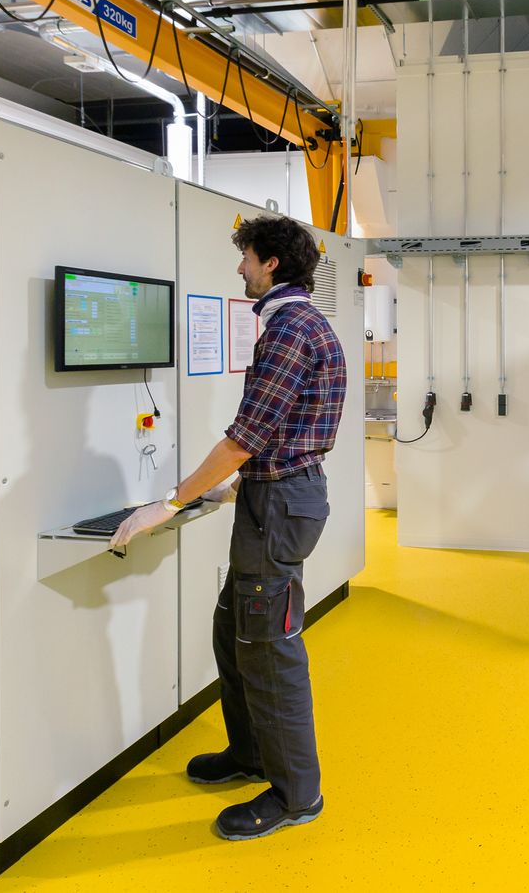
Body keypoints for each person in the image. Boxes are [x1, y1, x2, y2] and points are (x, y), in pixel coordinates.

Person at [112, 213, 347, 841]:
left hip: (279, 507)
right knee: (234, 629)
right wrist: (233, 485)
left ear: (270, 262)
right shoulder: (297, 324)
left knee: (269, 649)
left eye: (244, 256)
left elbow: (247, 435)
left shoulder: (290, 329)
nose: (238, 266)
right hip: (270, 497)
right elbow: (284, 432)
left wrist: (170, 501)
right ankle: (249, 755)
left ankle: (298, 793)